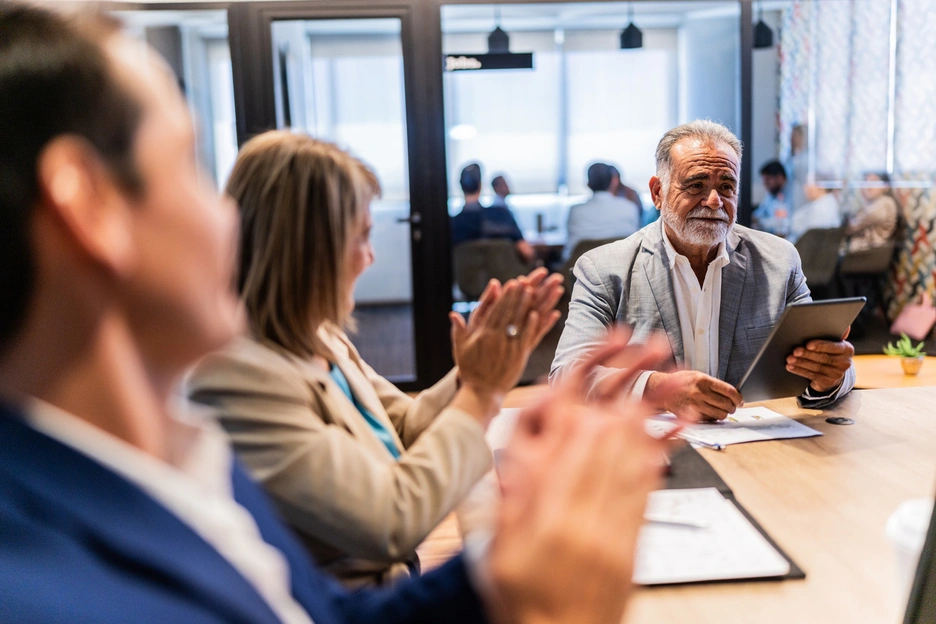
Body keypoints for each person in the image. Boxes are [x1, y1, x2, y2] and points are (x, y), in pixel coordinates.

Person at [0, 5, 680, 623]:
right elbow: (383, 522)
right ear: (88, 207)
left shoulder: (187, 455)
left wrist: (505, 574)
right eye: (191, 167)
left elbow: (324, 614)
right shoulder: (42, 594)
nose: (229, 225)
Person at [186, 131, 561, 586]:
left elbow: (402, 426)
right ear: (307, 250)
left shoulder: (320, 336)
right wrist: (482, 391)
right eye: (361, 236)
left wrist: (471, 373)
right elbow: (391, 521)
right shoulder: (234, 377)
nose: (370, 256)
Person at [551, 120, 856, 422]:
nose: (714, 201)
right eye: (696, 185)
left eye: (726, 187)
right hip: (650, 453)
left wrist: (829, 377)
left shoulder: (778, 261)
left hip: (756, 446)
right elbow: (569, 374)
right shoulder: (604, 269)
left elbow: (830, 365)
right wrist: (659, 389)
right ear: (658, 192)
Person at [451, 163, 534, 263]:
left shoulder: (451, 224)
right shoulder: (502, 215)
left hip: (465, 278)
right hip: (506, 277)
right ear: (480, 185)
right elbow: (526, 252)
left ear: (460, 186)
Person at [563, 162, 640, 261]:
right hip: (623, 271)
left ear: (588, 184)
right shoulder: (630, 208)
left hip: (577, 272)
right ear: (613, 182)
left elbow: (568, 251)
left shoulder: (575, 211)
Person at [845, 172, 898, 252]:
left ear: (886, 186)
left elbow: (851, 228)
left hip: (867, 253)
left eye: (874, 181)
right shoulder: (876, 202)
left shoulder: (882, 204)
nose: (868, 186)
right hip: (868, 252)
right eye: (866, 181)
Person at [752, 160, 791, 236]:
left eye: (767, 180)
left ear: (779, 177)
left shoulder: (793, 195)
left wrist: (763, 222)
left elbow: (786, 223)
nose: (765, 184)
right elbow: (758, 215)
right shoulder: (771, 195)